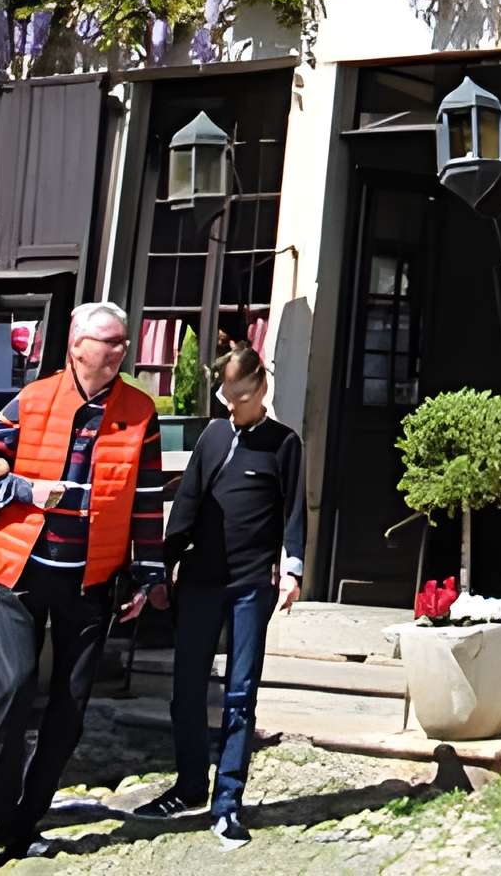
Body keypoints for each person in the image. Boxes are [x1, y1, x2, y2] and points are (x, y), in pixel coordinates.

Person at [0, 299, 166, 860]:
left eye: (123, 342)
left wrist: (148, 571)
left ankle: (23, 826)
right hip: (17, 571)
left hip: (91, 581)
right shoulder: (33, 399)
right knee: (15, 686)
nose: (120, 351)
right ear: (76, 346)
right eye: (110, 342)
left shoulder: (139, 411)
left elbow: (145, 498)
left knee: (69, 710)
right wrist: (25, 490)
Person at [135, 344, 303, 851]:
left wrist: (292, 567)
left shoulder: (283, 444)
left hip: (252, 583)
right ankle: (188, 786)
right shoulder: (212, 435)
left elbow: (294, 511)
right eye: (226, 396)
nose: (233, 405)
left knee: (239, 693)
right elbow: (185, 506)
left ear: (263, 388)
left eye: (243, 395)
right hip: (202, 581)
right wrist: (158, 571)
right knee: (187, 686)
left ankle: (227, 802)